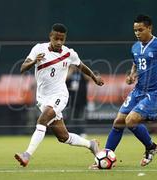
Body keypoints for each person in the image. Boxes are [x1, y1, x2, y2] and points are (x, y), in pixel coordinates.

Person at [92, 14, 157, 168]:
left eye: (140, 30)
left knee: (131, 120)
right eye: (135, 30)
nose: (137, 33)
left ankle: (151, 147)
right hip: (138, 90)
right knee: (119, 122)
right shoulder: (135, 47)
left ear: (149, 28)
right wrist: (132, 75)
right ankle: (106, 157)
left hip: (156, 93)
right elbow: (136, 63)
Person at [14, 23, 104, 167]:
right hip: (42, 98)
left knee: (42, 120)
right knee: (63, 136)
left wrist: (94, 77)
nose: (59, 42)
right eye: (56, 38)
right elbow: (22, 68)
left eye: (62, 39)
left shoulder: (69, 53)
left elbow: (81, 66)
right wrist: (34, 62)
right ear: (51, 36)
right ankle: (91, 144)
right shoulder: (38, 49)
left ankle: (27, 154)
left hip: (59, 95)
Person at [66, 65, 89, 137]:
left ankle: (82, 132)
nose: (75, 67)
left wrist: (81, 69)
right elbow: (64, 79)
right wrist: (70, 69)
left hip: (81, 99)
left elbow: (88, 78)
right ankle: (71, 133)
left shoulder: (81, 73)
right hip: (71, 100)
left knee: (81, 117)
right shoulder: (68, 73)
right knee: (70, 117)